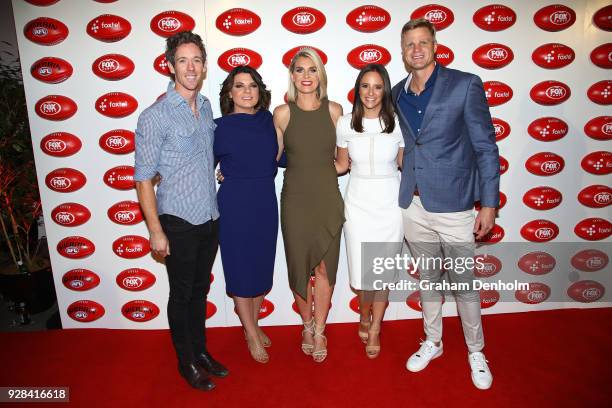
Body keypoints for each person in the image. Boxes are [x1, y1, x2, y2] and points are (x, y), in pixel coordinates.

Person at [391, 19, 500, 390]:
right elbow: (407, 140)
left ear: (435, 45)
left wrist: (488, 203)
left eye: (423, 42)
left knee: (464, 282)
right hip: (413, 203)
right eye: (410, 44)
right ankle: (432, 341)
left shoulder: (465, 85)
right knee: (428, 278)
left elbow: (485, 146)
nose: (416, 49)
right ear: (403, 51)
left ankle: (475, 350)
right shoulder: (396, 93)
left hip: (454, 204)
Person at [134, 31, 228, 392]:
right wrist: (155, 230)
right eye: (183, 60)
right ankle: (185, 360)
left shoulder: (205, 107)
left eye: (197, 60)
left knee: (200, 291)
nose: (191, 67)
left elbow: (203, 156)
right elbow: (143, 179)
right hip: (177, 220)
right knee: (182, 293)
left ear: (204, 66)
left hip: (210, 216)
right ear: (170, 66)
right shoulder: (155, 116)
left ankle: (201, 352)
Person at [274, 48, 344, 362]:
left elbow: (343, 162)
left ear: (320, 75)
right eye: (300, 70)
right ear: (292, 75)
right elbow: (271, 158)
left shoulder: (335, 110)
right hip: (295, 201)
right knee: (300, 267)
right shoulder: (282, 114)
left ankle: (319, 330)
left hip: (328, 198)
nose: (306, 76)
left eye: (312, 70)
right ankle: (305, 324)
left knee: (324, 268)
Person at [335, 64, 404, 359]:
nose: (371, 93)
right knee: (365, 273)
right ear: (357, 88)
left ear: (385, 90)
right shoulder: (345, 123)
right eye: (365, 86)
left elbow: (404, 163)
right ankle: (364, 315)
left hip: (390, 203)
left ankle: (375, 327)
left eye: (377, 86)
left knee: (383, 272)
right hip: (358, 203)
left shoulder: (399, 122)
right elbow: (340, 165)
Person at [214, 65, 280, 364]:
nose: (246, 91)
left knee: (260, 265)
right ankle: (251, 332)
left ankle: (253, 324)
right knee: (240, 268)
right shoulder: (218, 127)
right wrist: (219, 174)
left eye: (252, 85)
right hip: (235, 203)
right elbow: (202, 166)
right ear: (230, 93)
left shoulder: (270, 120)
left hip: (265, 200)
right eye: (239, 86)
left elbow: (284, 155)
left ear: (259, 91)